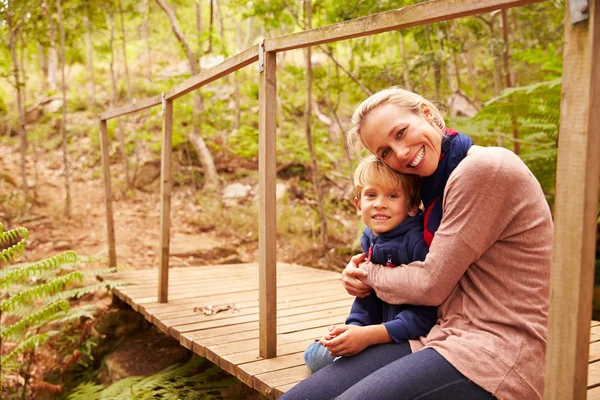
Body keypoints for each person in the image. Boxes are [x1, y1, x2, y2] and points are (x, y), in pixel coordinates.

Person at [281, 87, 552, 400]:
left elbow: (430, 284)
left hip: (500, 350)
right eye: (384, 152)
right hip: (439, 334)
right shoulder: (431, 187)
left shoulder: (484, 169)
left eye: (401, 132)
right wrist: (358, 270)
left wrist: (368, 274)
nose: (401, 153)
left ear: (427, 113)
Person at [303, 155, 435, 373]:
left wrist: (368, 336)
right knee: (316, 357)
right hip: (375, 329)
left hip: (406, 338)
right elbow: (367, 297)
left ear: (411, 205)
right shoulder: (370, 238)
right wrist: (354, 326)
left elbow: (424, 315)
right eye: (371, 195)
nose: (380, 204)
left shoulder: (417, 244)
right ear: (358, 204)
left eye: (392, 196)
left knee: (336, 365)